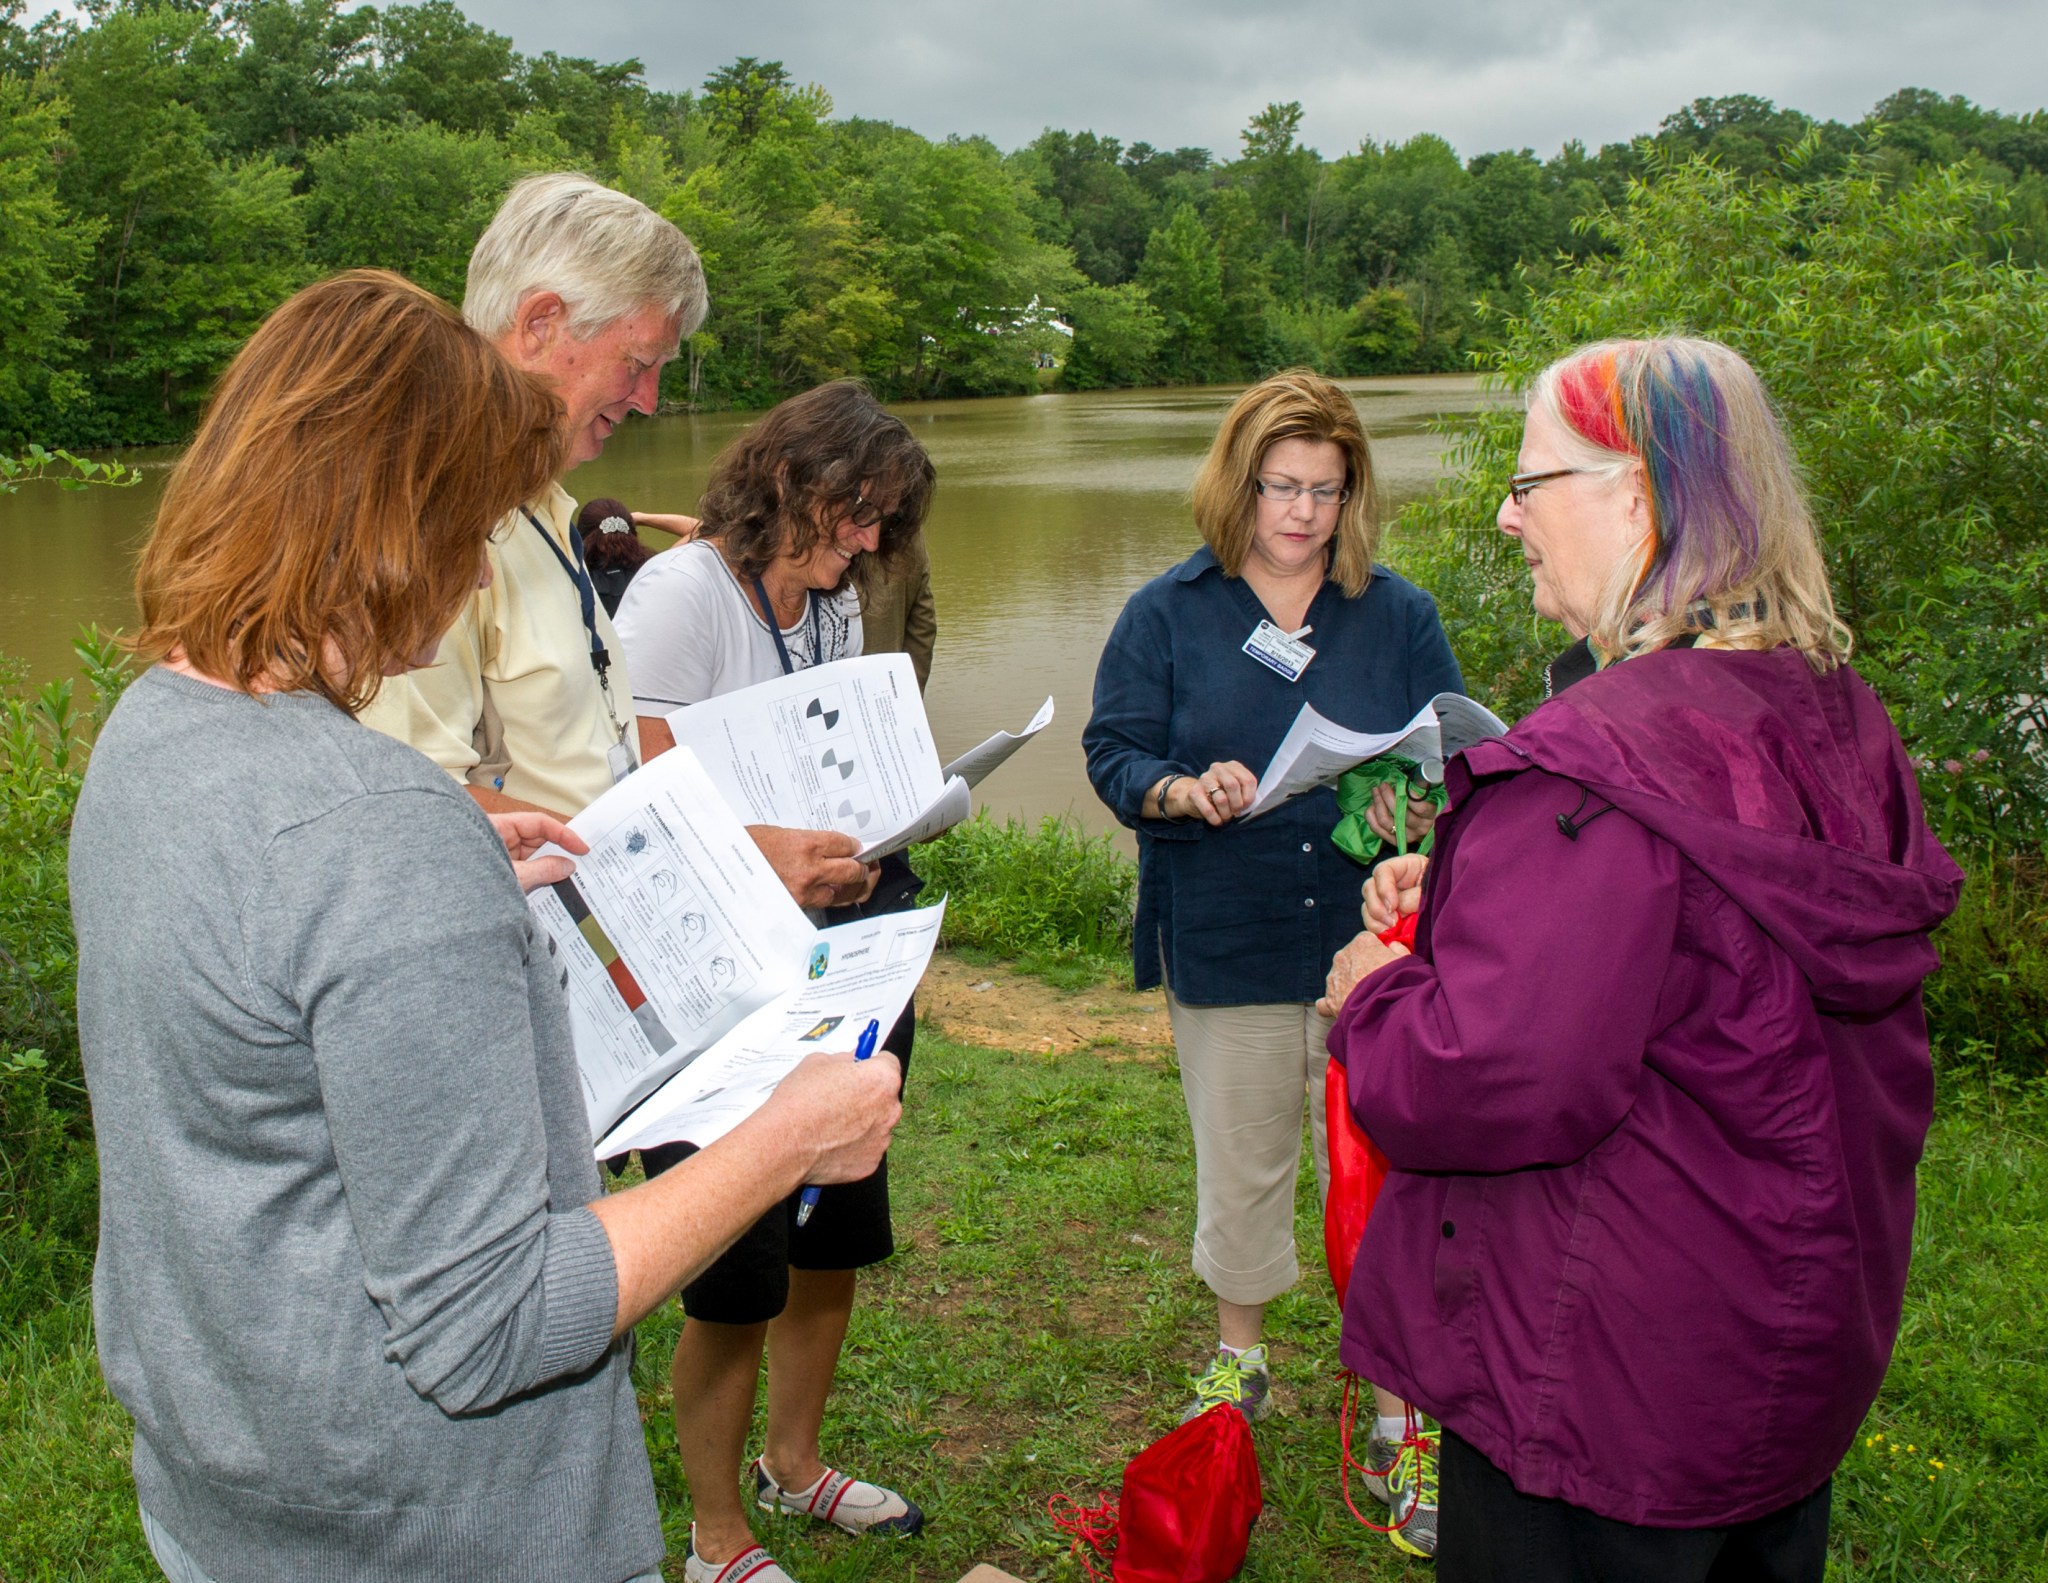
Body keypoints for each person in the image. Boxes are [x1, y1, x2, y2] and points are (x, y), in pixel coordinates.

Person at [68, 270, 904, 1583]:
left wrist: (443, 839)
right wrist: (786, 1135)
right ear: (390, 523)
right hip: (432, 1521)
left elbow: (267, 999)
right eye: (468, 527)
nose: (470, 577)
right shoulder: (374, 832)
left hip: (225, 1473)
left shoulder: (153, 731)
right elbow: (490, 1317)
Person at [1319, 337, 1963, 1583]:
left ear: (1639, 499)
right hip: (1778, 1343)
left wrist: (1377, 989)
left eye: (1528, 482)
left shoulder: (1591, 769)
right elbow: (1710, 965)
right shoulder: (1832, 708)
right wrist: (1467, 883)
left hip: (1598, 1373)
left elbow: (1483, 1076)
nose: (1506, 518)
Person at [1082, 369, 1464, 1555]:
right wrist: (1177, 787)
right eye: (1278, 487)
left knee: (1384, 1185)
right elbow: (1111, 750)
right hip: (1230, 926)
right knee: (1241, 1163)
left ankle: (1399, 1412)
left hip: (1369, 949)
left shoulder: (1395, 615)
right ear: (1235, 483)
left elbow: (1449, 757)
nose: (1299, 513)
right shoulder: (1164, 612)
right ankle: (1236, 1366)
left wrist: (1417, 806)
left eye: (1323, 489)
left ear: (1352, 494)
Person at [614, 380, 937, 1583]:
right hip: (711, 978)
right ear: (792, 478)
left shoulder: (835, 602)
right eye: (856, 510)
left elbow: (810, 765)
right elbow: (644, 806)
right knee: (733, 1269)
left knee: (832, 1231)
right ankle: (714, 1537)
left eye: (883, 522)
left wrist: (862, 839)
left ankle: (793, 1465)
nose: (866, 541)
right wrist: (777, 852)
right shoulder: (680, 595)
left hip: (827, 952)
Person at [358, 172, 870, 913]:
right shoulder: (424, 514)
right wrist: (721, 860)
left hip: (617, 942)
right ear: (540, 324)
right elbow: (416, 801)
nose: (649, 401)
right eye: (638, 364)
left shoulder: (543, 503)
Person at [575, 496, 701, 617]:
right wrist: (641, 518)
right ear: (631, 532)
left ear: (581, 535)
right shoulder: (653, 570)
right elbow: (701, 529)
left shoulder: (574, 577)